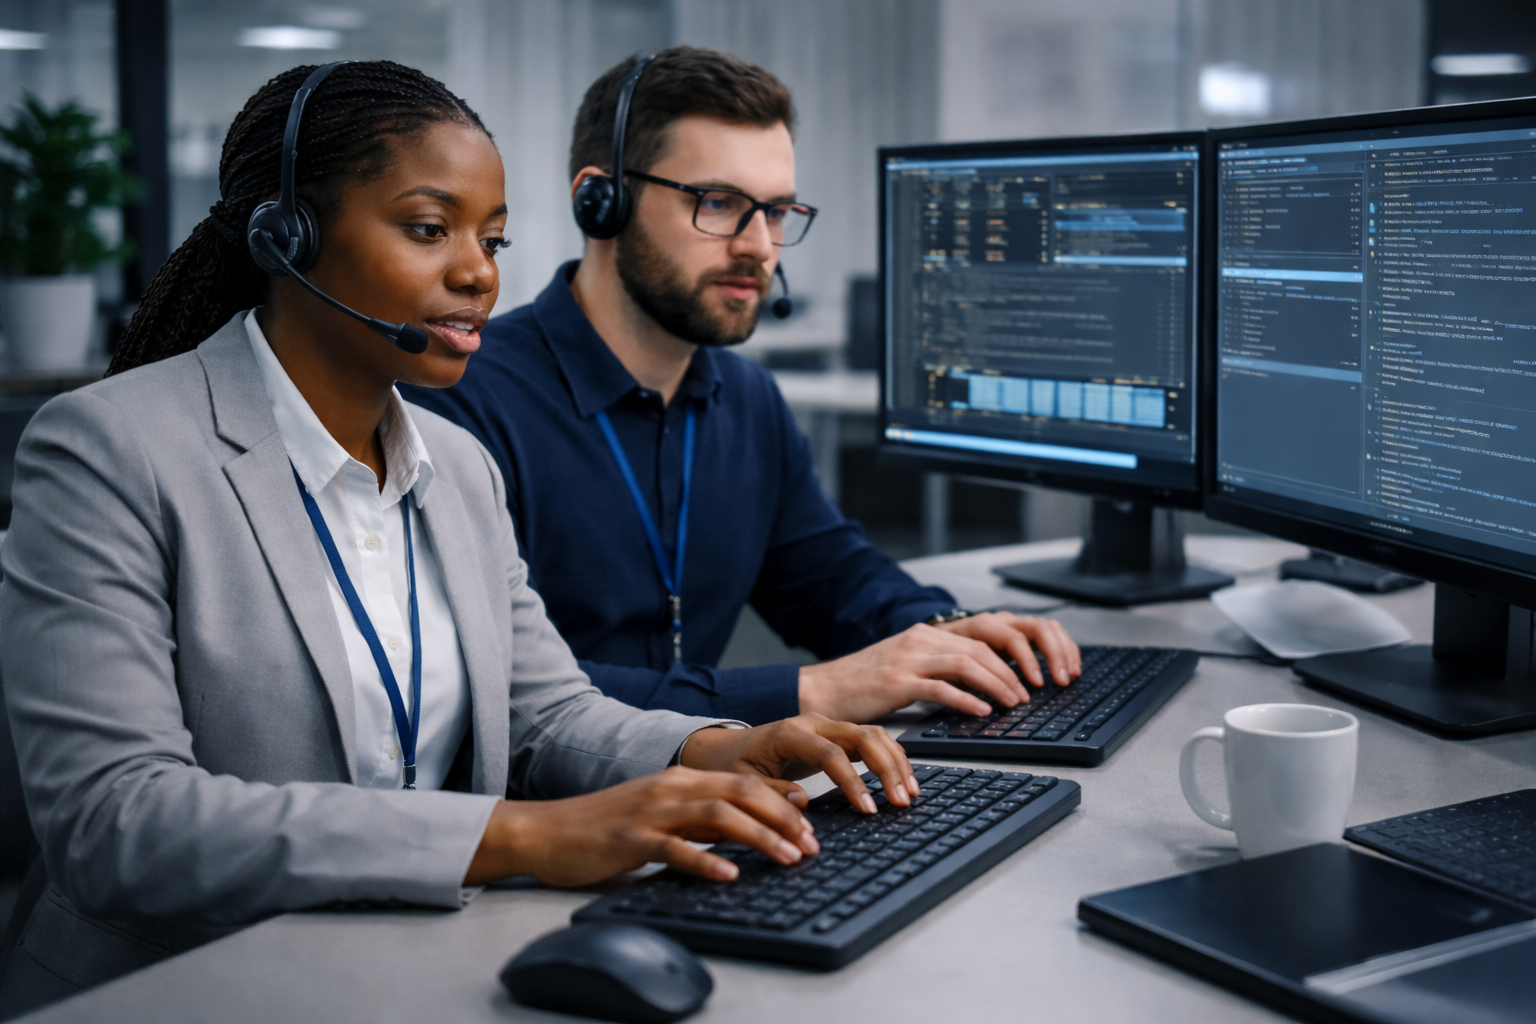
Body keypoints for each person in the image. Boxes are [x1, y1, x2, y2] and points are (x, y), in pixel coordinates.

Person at [0, 60, 915, 1016]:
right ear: (290, 236)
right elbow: (115, 823)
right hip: (185, 988)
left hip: (404, 967)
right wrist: (519, 837)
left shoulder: (452, 463)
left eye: (493, 238)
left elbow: (551, 714)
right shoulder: (109, 449)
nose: (480, 273)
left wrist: (717, 749)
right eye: (429, 229)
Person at [403, 47, 1082, 727]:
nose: (760, 244)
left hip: (703, 795)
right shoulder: (462, 405)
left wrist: (943, 631)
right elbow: (491, 686)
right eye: (720, 202)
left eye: (778, 211)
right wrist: (808, 693)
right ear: (600, 201)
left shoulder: (746, 398)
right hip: (544, 816)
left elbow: (828, 576)